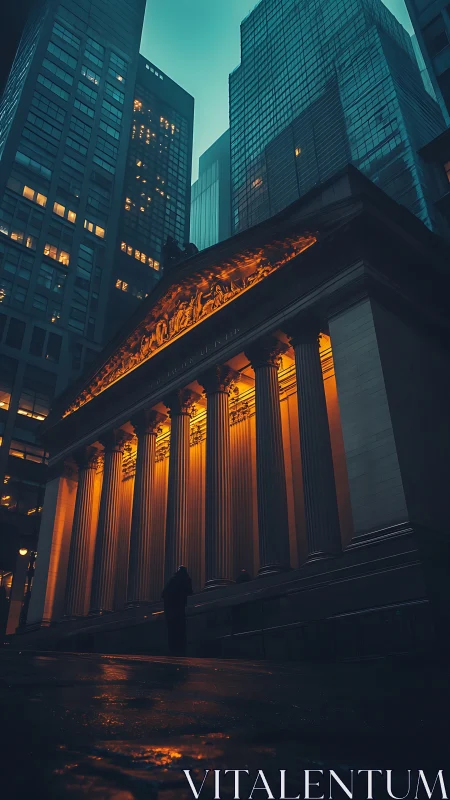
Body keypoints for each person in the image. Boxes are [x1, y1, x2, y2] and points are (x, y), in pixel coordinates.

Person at [161, 566, 193, 656]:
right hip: (180, 611)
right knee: (180, 632)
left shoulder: (173, 581)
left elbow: (164, 594)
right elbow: (189, 592)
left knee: (172, 633)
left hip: (172, 612)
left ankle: (174, 650)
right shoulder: (185, 579)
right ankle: (180, 650)